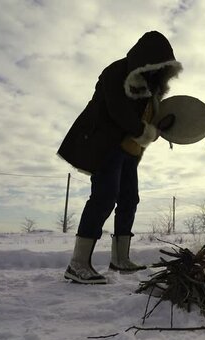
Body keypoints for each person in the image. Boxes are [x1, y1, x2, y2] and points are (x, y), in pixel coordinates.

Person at [57, 31, 182, 284]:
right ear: (146, 59)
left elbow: (148, 119)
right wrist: (144, 131)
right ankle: (78, 264)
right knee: (104, 197)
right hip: (104, 144)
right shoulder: (116, 71)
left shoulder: (151, 87)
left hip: (128, 151)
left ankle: (119, 259)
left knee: (129, 199)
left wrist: (161, 127)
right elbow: (118, 111)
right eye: (157, 64)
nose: (160, 70)